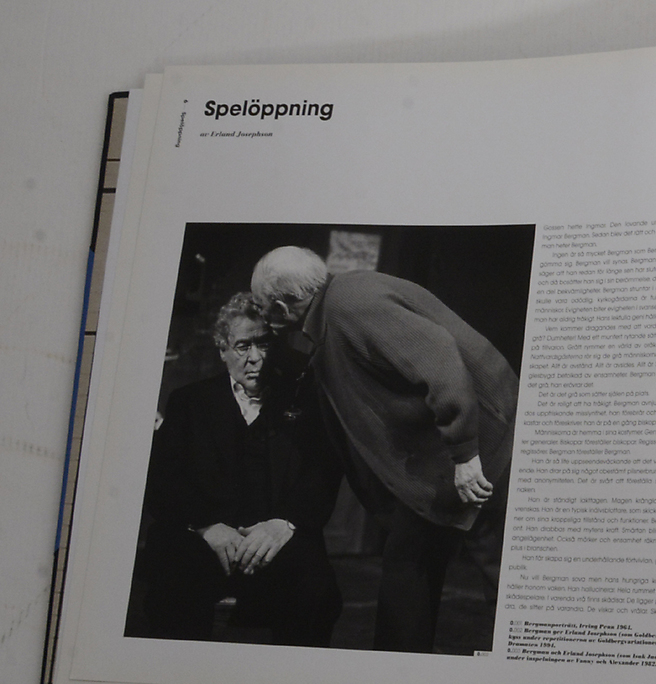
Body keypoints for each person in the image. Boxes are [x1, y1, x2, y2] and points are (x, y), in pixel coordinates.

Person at [251, 246, 517, 652]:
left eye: (261, 307)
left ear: (283, 307)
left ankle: (522, 670)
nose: (263, 317)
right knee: (408, 563)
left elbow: (439, 356)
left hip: (487, 450)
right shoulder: (337, 307)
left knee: (503, 571)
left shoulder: (351, 305)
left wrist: (465, 454)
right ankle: (399, 667)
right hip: (443, 465)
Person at [135, 293, 342, 646]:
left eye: (263, 344)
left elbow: (321, 474)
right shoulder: (189, 402)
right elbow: (163, 483)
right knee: (172, 582)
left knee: (316, 591)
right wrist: (207, 526)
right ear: (223, 350)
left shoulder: (303, 402)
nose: (255, 358)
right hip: (204, 538)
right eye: (243, 346)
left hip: (275, 538)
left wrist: (284, 524)